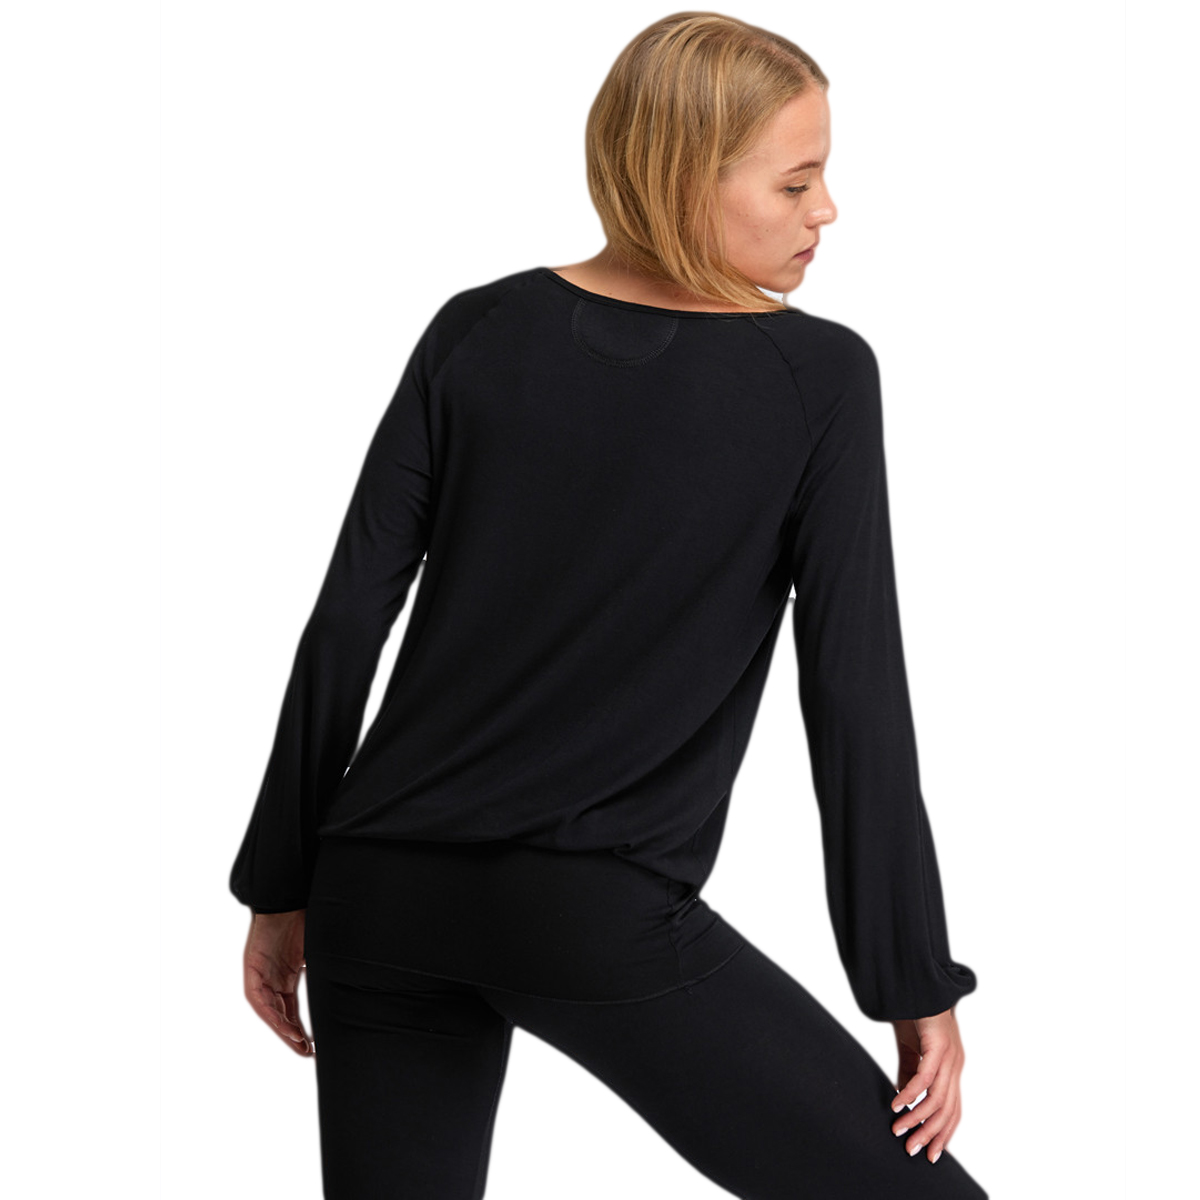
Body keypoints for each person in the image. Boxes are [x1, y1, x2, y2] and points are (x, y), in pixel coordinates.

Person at [230, 12, 988, 1199]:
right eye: (796, 183)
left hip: (375, 888)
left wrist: (282, 883)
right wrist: (912, 984)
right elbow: (853, 694)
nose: (827, 211)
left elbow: (345, 622)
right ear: (685, 176)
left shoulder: (478, 327)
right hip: (588, 909)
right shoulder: (818, 377)